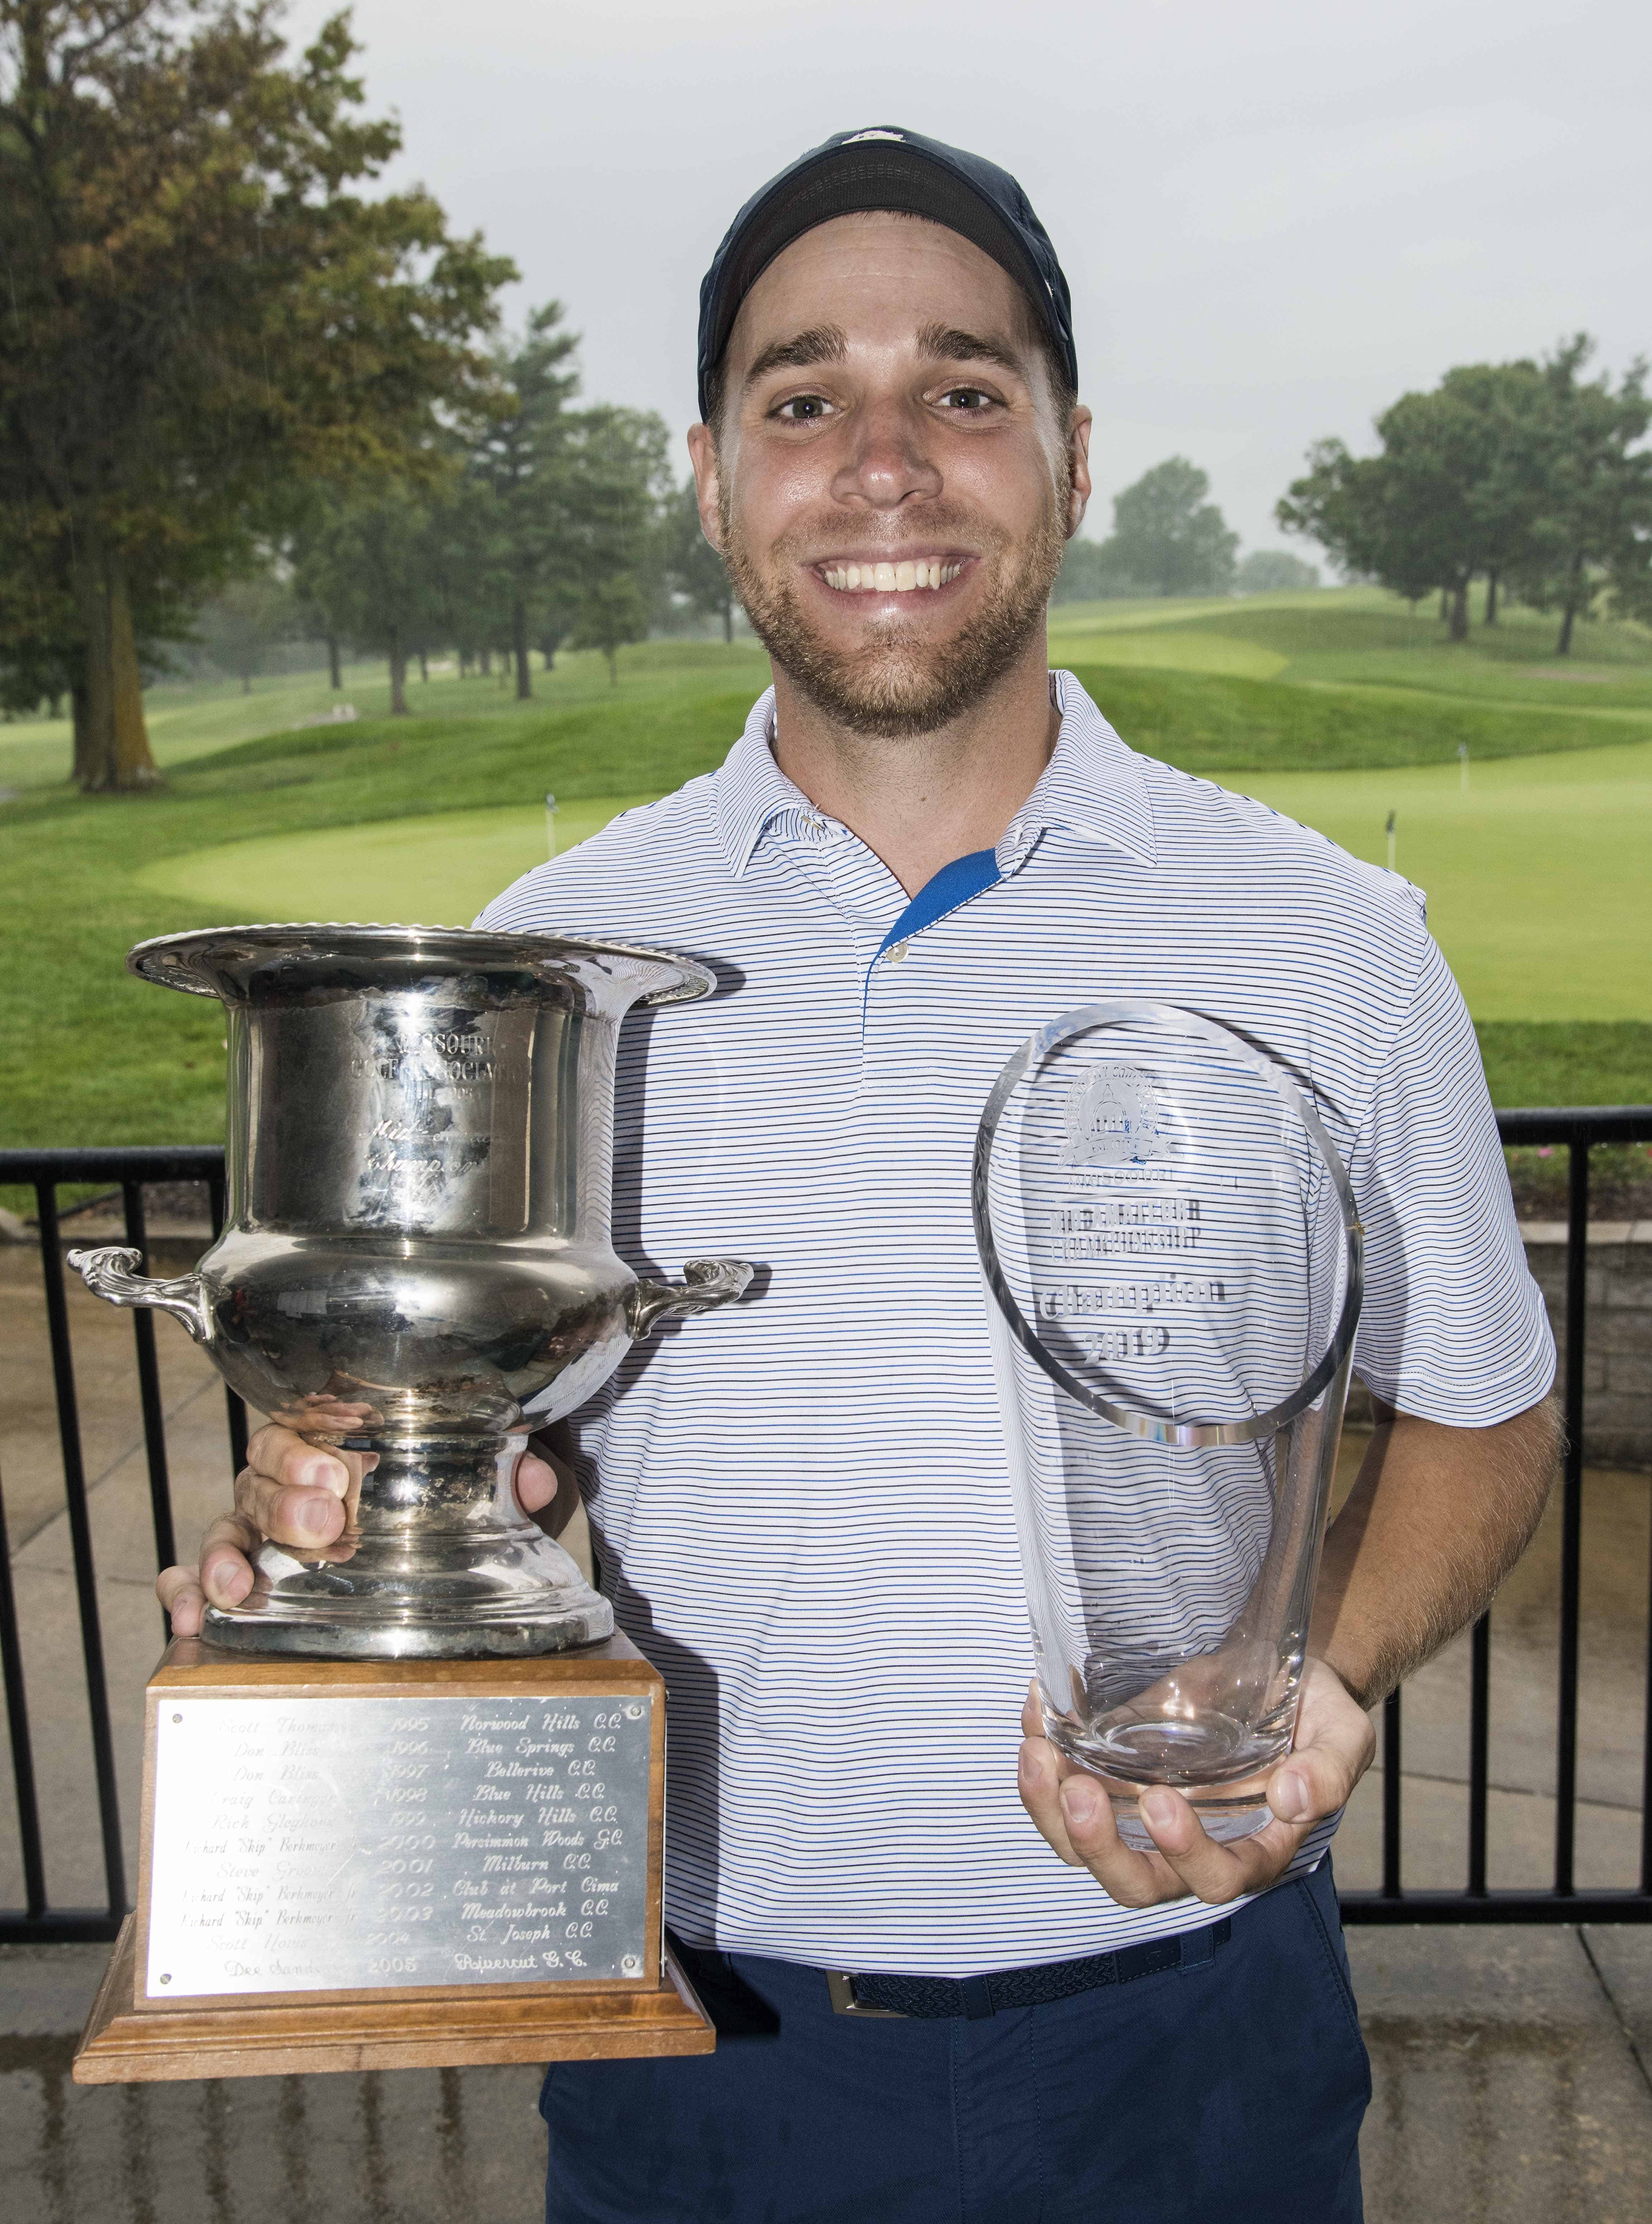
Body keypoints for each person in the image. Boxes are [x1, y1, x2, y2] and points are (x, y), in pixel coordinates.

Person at [160, 128, 1559, 2222]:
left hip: (1188, 2049)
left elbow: (1485, 1403)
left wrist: (1325, 1677)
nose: (883, 462)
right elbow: (452, 1455)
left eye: (962, 392)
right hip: (695, 2071)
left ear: (1069, 454)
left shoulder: (1325, 940)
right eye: (802, 398)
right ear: (711, 474)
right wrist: (332, 1540)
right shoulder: (546, 947)